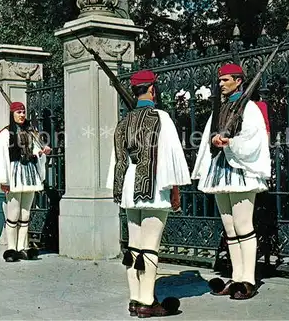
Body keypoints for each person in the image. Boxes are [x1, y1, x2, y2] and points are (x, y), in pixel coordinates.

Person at [108, 70, 191, 317]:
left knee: (134, 246)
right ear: (153, 89)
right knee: (150, 245)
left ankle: (134, 299)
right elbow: (172, 155)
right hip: (154, 185)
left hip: (129, 186)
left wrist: (120, 190)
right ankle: (146, 301)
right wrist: (175, 189)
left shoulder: (123, 123)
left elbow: (117, 160)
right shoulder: (161, 117)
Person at [191, 63, 271, 300]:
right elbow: (208, 136)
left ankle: (248, 279)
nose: (221, 84)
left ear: (239, 81)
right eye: (220, 80)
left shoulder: (250, 108)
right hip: (219, 170)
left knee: (243, 225)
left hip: (240, 171)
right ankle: (236, 277)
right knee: (230, 228)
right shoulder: (221, 108)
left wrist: (231, 143)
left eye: (226, 79)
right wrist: (214, 142)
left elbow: (254, 139)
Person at [0, 101, 51, 262]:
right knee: (13, 213)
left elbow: (36, 151)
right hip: (14, 174)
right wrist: (3, 180)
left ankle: (22, 247)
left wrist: (42, 152)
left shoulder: (31, 132)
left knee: (25, 212)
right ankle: (11, 248)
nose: (22, 115)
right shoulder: (6, 134)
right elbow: (0, 157)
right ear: (12, 114)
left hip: (29, 174)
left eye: (23, 112)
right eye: (18, 112)